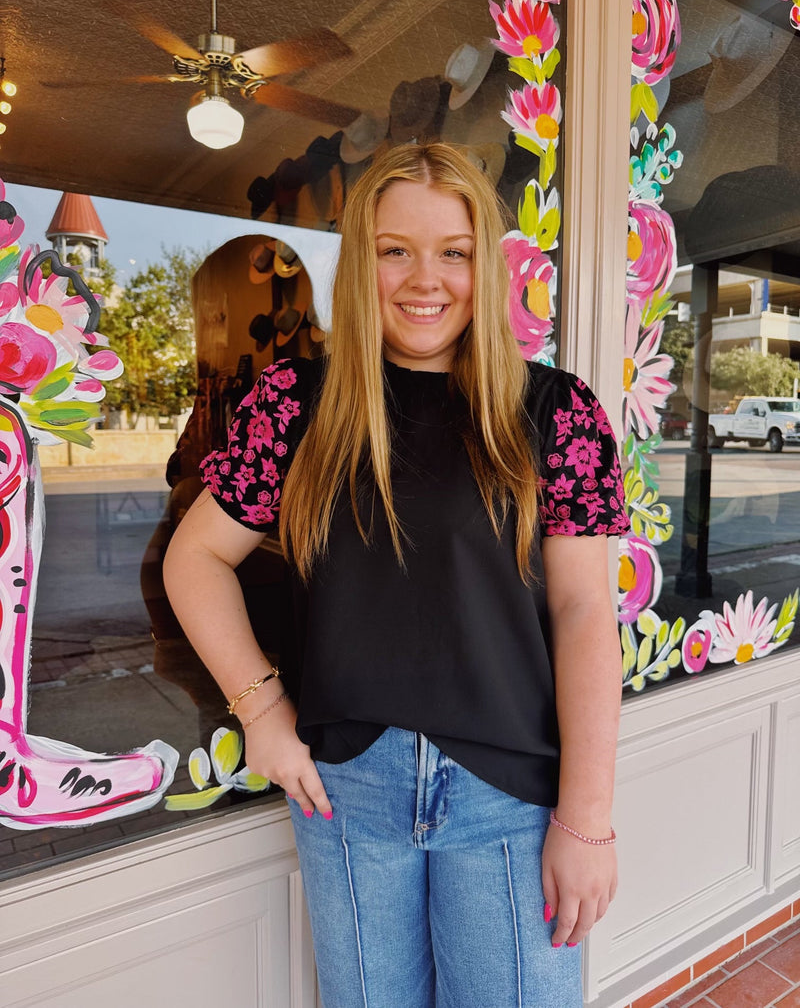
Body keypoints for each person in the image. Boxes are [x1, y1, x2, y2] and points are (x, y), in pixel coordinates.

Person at [164, 142, 629, 1008]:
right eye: (394, 249)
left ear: (482, 263)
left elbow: (580, 612)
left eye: (452, 251)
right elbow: (194, 560)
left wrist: (586, 815)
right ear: (361, 260)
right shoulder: (294, 405)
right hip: (350, 792)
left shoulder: (556, 412)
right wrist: (259, 709)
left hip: (510, 799)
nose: (426, 278)